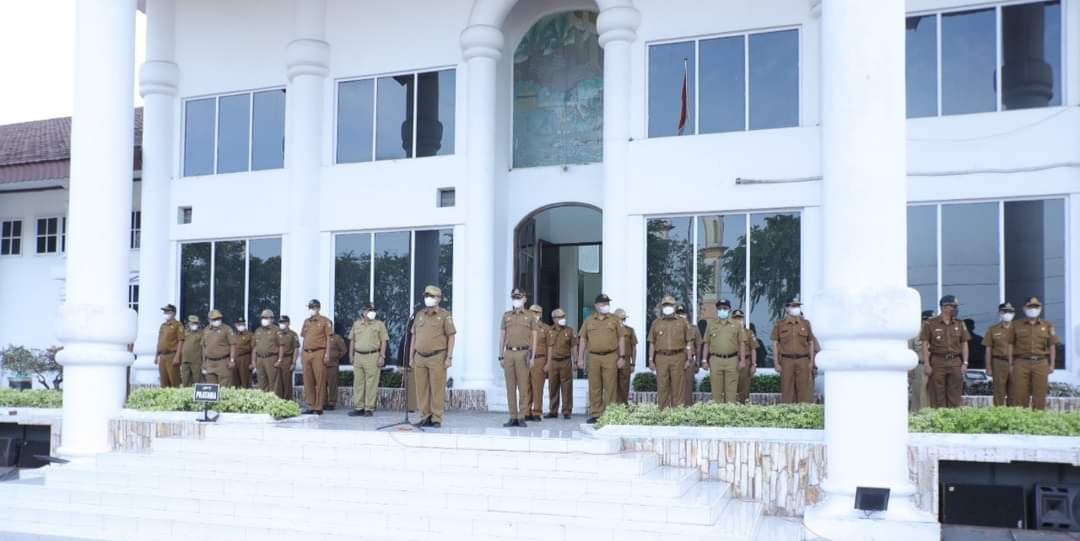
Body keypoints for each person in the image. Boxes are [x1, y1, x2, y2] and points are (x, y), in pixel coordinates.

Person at [410, 285, 455, 428]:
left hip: (437, 356)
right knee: (421, 389)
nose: (427, 298)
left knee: (437, 388)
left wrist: (449, 357)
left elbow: (451, 336)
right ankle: (425, 416)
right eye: (426, 295)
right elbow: (414, 337)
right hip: (420, 357)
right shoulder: (419, 314)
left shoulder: (444, 315)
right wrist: (411, 357)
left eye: (431, 296)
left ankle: (436, 418)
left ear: (439, 299)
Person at [578, 293, 625, 423]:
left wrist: (622, 356)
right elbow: (583, 339)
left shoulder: (615, 319)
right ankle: (596, 414)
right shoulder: (589, 320)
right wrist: (580, 358)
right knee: (594, 386)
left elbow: (621, 338)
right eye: (603, 304)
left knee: (610, 386)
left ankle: (610, 414)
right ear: (597, 306)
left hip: (610, 356)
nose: (606, 306)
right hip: (593, 357)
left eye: (607, 303)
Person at [920, 295, 970, 408]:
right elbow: (924, 343)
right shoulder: (930, 323)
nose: (956, 309)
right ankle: (939, 419)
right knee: (937, 393)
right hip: (938, 361)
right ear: (944, 307)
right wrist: (927, 364)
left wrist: (965, 362)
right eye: (954, 306)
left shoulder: (960, 323)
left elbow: (964, 343)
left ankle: (952, 418)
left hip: (955, 361)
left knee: (955, 392)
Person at [1010, 296, 1058, 410]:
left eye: (1036, 306)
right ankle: (1021, 421)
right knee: (1020, 395)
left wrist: (1052, 365)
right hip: (1021, 362)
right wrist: (1011, 363)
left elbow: (1052, 346)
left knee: (1040, 394)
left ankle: (1038, 423)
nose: (1033, 309)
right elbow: (1010, 345)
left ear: (1040, 308)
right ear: (1024, 308)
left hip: (1041, 362)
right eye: (1030, 306)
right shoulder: (1015, 324)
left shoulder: (1047, 325)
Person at [499, 289, 538, 427]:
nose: (516, 300)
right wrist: (500, 355)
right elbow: (502, 336)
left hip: (523, 354)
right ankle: (512, 416)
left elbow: (534, 337)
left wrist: (532, 356)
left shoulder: (530, 316)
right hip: (509, 353)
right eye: (514, 297)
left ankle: (522, 416)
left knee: (523, 386)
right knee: (510, 388)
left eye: (518, 297)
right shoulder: (506, 316)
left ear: (524, 299)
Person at [647, 295, 692, 410]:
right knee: (662, 386)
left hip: (678, 357)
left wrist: (689, 358)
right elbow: (652, 342)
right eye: (666, 305)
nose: (668, 307)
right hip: (661, 357)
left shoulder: (683, 322)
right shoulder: (656, 323)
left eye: (670, 305)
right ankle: (663, 412)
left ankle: (678, 413)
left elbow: (689, 342)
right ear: (662, 307)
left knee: (678, 386)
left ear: (674, 306)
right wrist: (651, 360)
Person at [771, 297, 816, 404]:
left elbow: (811, 342)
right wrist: (776, 363)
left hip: (803, 360)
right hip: (786, 361)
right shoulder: (780, 324)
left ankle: (803, 416)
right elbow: (775, 344)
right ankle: (789, 415)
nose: (797, 308)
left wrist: (811, 362)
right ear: (786, 308)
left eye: (798, 306)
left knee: (804, 391)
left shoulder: (805, 324)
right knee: (787, 390)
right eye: (793, 306)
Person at [347, 304, 389, 417]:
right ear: (363, 312)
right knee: (358, 383)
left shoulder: (379, 324)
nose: (372, 312)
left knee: (371, 383)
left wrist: (382, 356)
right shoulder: (356, 324)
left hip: (373, 355)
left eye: (373, 310)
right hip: (358, 356)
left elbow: (384, 341)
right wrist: (351, 355)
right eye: (370, 310)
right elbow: (352, 341)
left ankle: (369, 408)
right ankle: (359, 407)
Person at [702, 299, 746, 403]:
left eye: (725, 308)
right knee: (715, 392)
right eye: (720, 308)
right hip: (715, 360)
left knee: (731, 393)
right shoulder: (711, 325)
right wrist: (704, 360)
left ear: (729, 310)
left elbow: (742, 343)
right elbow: (706, 343)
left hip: (732, 360)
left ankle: (729, 415)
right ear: (717, 310)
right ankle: (717, 416)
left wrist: (742, 360)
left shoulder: (737, 325)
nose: (722, 310)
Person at [300, 299, 334, 415]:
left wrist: (327, 353)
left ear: (318, 308)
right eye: (310, 307)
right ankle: (311, 405)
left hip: (319, 352)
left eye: (313, 307)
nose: (311, 309)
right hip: (306, 352)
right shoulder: (306, 321)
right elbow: (304, 337)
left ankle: (319, 406)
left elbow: (328, 338)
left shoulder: (325, 321)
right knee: (307, 380)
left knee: (320, 379)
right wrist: (302, 353)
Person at [982, 303, 1016, 407]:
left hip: (1015, 364)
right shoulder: (993, 329)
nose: (1007, 314)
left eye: (1010, 312)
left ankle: (1014, 417)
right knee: (999, 393)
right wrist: (988, 367)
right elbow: (988, 349)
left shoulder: (1019, 329)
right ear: (999, 313)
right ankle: (999, 416)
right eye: (1005, 311)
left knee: (1015, 393)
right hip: (999, 363)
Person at [545, 308, 576, 419]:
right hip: (553, 362)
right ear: (554, 319)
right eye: (560, 317)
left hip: (565, 361)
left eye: (563, 316)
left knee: (566, 387)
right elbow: (547, 348)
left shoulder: (569, 331)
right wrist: (547, 363)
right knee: (552, 386)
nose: (563, 319)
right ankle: (553, 411)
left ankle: (567, 411)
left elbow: (573, 346)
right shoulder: (549, 331)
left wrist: (575, 361)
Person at [201, 309, 237, 387]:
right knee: (211, 388)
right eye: (214, 319)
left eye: (218, 318)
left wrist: (232, 360)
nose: (217, 320)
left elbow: (233, 345)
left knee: (225, 388)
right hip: (210, 363)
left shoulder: (227, 329)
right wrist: (204, 362)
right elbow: (204, 347)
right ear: (209, 320)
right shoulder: (206, 330)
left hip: (223, 362)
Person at [526, 304, 549, 422]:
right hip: (525, 358)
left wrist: (548, 363)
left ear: (540, 314)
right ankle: (526, 411)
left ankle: (537, 411)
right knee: (526, 386)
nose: (534, 314)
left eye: (536, 312)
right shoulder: (525, 326)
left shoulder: (545, 328)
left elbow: (550, 347)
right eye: (532, 312)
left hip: (539, 359)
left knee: (537, 387)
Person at [907, 310, 933, 412]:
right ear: (922, 320)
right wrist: (910, 369)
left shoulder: (935, 332)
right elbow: (910, 352)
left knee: (931, 396)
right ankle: (918, 418)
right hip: (919, 366)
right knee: (919, 394)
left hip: (935, 366)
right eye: (929, 320)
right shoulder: (914, 334)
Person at [253, 309, 284, 394]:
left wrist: (280, 360)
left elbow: (281, 346)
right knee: (261, 382)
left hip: (271, 358)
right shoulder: (258, 331)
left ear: (272, 319)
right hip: (260, 359)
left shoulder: (277, 330)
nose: (264, 319)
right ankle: (264, 403)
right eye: (263, 317)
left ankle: (274, 402)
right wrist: (253, 360)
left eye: (266, 317)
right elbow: (255, 347)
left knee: (273, 382)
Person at [676, 304, 701, 406]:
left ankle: (688, 407)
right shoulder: (672, 328)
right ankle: (676, 408)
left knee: (688, 385)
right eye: (678, 313)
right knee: (675, 385)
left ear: (687, 315)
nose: (681, 315)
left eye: (683, 313)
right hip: (676, 359)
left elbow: (698, 346)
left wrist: (698, 362)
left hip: (690, 360)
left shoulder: (693, 328)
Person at [733, 310, 758, 403]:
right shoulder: (730, 333)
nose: (738, 320)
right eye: (736, 318)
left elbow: (753, 349)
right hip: (732, 360)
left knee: (745, 387)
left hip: (746, 362)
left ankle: (744, 406)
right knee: (731, 386)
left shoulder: (749, 333)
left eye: (740, 318)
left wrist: (754, 364)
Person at [156, 304, 183, 388]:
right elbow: (159, 341)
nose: (165, 313)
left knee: (174, 381)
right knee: (163, 382)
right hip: (162, 356)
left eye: (167, 311)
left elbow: (181, 341)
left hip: (172, 355)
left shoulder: (178, 325)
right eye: (164, 311)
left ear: (174, 313)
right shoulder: (163, 326)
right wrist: (156, 356)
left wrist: (177, 356)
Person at [614, 308, 637, 404]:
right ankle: (613, 407)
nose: (622, 321)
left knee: (625, 385)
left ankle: (624, 405)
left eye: (624, 319)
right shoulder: (610, 331)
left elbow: (634, 348)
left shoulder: (630, 330)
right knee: (612, 384)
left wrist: (633, 363)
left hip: (626, 361)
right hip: (612, 360)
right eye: (620, 319)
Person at [277, 316, 300, 400]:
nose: (282, 324)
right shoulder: (277, 333)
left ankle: (287, 401)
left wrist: (293, 362)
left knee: (286, 382)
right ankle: (278, 400)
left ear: (288, 323)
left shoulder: (293, 335)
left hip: (287, 359)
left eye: (284, 322)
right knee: (278, 382)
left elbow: (296, 349)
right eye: (280, 322)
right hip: (277, 359)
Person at [179, 315, 204, 387]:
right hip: (185, 360)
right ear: (189, 324)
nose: (194, 325)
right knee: (185, 381)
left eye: (195, 323)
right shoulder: (184, 332)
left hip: (196, 361)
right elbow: (181, 344)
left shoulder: (201, 333)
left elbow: (204, 347)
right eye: (192, 323)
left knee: (197, 381)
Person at [325, 332, 347, 410]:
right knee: (322, 384)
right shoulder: (321, 336)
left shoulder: (337, 337)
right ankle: (323, 402)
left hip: (333, 365)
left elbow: (344, 350)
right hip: (322, 365)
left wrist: (336, 357)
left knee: (332, 384)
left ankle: (332, 403)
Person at [232, 318, 254, 388]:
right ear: (235, 325)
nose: (241, 325)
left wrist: (253, 362)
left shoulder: (250, 335)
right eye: (239, 324)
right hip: (235, 360)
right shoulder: (233, 335)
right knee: (235, 382)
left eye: (242, 324)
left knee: (245, 381)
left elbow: (253, 349)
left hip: (245, 359)